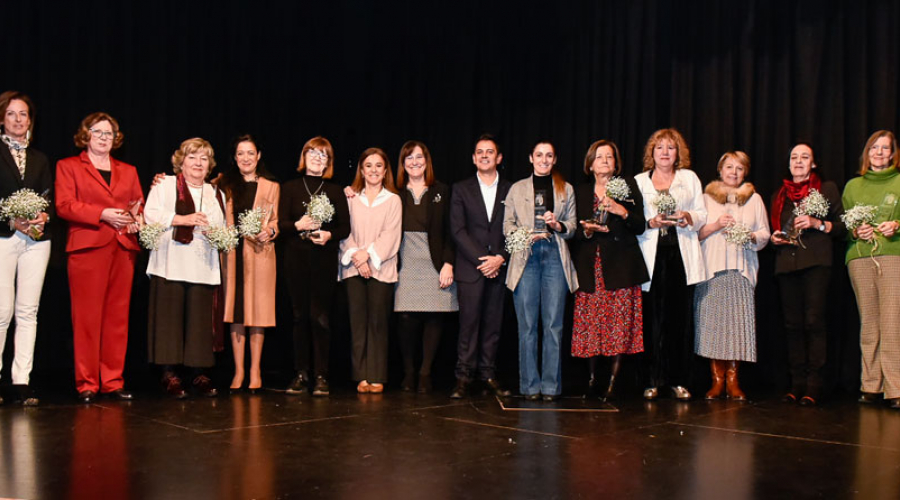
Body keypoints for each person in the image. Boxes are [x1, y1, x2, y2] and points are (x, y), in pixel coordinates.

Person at [56, 112, 143, 404]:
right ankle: (87, 383)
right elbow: (64, 205)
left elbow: (138, 204)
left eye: (109, 133)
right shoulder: (68, 166)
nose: (104, 137)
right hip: (88, 248)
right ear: (86, 135)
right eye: (98, 132)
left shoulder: (128, 170)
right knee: (87, 319)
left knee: (117, 319)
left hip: (123, 248)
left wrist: (135, 220)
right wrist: (101, 214)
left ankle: (113, 381)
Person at [144, 138, 226, 399]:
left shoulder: (216, 193)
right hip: (170, 262)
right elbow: (150, 214)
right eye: (192, 157)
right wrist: (183, 219)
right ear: (181, 161)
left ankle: (198, 373)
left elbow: (221, 229)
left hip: (202, 264)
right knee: (169, 321)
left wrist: (214, 231)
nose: (198, 163)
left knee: (199, 322)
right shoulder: (165, 185)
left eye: (203, 158)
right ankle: (169, 374)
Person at [572, 140, 648, 401]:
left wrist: (622, 211)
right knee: (591, 325)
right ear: (590, 164)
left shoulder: (626, 186)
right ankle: (593, 380)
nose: (604, 161)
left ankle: (613, 383)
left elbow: (640, 226)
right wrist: (586, 229)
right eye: (599, 157)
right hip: (590, 267)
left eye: (609, 157)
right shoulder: (580, 191)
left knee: (618, 326)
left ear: (616, 163)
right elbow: (573, 231)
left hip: (621, 266)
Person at [635, 128, 707, 401]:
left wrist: (687, 215)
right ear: (651, 153)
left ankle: (678, 380)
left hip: (680, 255)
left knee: (679, 321)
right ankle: (650, 380)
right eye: (660, 148)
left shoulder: (689, 178)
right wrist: (650, 222)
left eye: (670, 148)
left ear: (678, 153)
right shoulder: (640, 181)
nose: (665, 152)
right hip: (651, 257)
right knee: (651, 322)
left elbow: (702, 213)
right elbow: (632, 220)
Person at [770, 143, 844, 406]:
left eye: (804, 157)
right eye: (794, 157)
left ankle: (814, 385)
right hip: (787, 265)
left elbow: (842, 226)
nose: (798, 161)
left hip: (816, 264)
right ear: (789, 163)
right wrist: (774, 238)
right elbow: (775, 228)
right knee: (791, 326)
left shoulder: (827, 189)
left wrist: (817, 223)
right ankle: (796, 384)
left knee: (813, 323)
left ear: (813, 163)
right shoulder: (780, 194)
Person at [504, 140, 578, 401]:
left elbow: (572, 227)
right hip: (526, 257)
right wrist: (524, 235)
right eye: (539, 155)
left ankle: (550, 387)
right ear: (531, 158)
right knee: (527, 326)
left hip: (555, 256)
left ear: (555, 159)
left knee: (553, 324)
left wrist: (557, 225)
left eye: (549, 156)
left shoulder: (565, 188)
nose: (544, 160)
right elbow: (507, 226)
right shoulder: (517, 189)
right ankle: (529, 386)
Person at [695, 152, 770, 401]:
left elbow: (765, 235)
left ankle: (733, 380)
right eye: (729, 167)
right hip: (712, 270)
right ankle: (716, 380)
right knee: (714, 327)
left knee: (738, 328)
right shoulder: (705, 199)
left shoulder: (754, 199)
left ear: (745, 172)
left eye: (739, 168)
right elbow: (694, 234)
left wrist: (748, 235)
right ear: (720, 170)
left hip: (740, 270)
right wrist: (716, 225)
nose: (734, 172)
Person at [280, 136, 350, 396]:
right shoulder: (289, 188)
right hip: (296, 259)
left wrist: (330, 235)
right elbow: (280, 224)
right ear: (304, 156)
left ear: (328, 162)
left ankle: (321, 375)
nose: (318, 158)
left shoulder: (335, 190)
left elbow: (345, 227)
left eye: (324, 155)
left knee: (320, 318)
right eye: (313, 152)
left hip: (323, 260)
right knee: (299, 317)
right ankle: (300, 373)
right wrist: (298, 225)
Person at [449, 134, 513, 399]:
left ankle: (487, 374)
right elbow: (457, 230)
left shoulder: (512, 189)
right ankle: (463, 377)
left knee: (493, 325)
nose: (485, 155)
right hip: (471, 269)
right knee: (468, 325)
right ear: (474, 158)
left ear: (498, 158)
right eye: (480, 152)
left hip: (499, 267)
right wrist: (483, 261)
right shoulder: (461, 188)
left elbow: (517, 229)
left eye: (490, 152)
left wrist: (499, 258)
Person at [0, 91, 52, 406]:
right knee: (2, 311)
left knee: (28, 312)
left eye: (24, 114)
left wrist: (44, 215)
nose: (19, 120)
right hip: (5, 237)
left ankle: (22, 380)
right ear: (2, 118)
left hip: (37, 242)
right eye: (12, 114)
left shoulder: (40, 158)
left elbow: (49, 195)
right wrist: (11, 220)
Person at [842, 130, 900, 410]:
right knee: (869, 324)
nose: (879, 153)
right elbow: (846, 228)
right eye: (874, 148)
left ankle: (895, 387)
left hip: (892, 255)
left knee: (892, 323)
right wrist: (856, 230)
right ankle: (871, 385)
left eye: (884, 148)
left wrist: (897, 225)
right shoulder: (853, 186)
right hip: (860, 257)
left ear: (892, 154)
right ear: (867, 153)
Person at [393, 140, 457, 393]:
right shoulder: (394, 192)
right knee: (406, 317)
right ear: (402, 163)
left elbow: (451, 231)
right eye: (409, 157)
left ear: (427, 161)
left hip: (435, 260)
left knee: (434, 316)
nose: (414, 162)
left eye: (419, 157)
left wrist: (449, 263)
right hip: (404, 258)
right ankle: (409, 372)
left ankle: (425, 373)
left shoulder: (442, 190)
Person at [219, 135, 279, 394]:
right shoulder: (223, 184)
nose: (246, 158)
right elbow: (193, 187)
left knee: (258, 312)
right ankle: (239, 370)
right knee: (236, 311)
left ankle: (255, 369)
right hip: (233, 253)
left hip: (260, 253)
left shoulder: (271, 186)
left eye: (250, 153)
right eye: (240, 153)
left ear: (259, 156)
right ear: (235, 157)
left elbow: (276, 220)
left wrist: (270, 231)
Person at [339, 147, 401, 394]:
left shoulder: (393, 200)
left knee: (377, 323)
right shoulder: (351, 198)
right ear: (362, 171)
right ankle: (361, 376)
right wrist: (358, 258)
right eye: (368, 166)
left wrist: (369, 256)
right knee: (357, 323)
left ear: (385, 170)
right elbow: (345, 232)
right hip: (354, 269)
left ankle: (376, 376)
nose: (373, 170)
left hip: (381, 269)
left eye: (378, 165)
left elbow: (391, 235)